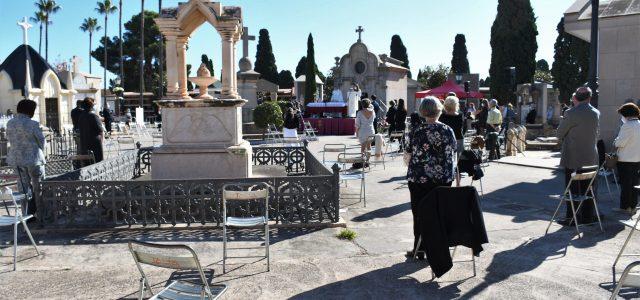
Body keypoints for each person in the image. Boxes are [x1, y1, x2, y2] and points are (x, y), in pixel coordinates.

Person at [405, 96, 457, 259]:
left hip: (419, 179)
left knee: (419, 213)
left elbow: (407, 154)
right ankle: (439, 250)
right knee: (439, 213)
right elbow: (454, 152)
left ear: (422, 112)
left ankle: (419, 249)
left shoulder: (417, 130)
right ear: (439, 110)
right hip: (443, 179)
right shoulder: (448, 130)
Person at [556, 87, 600, 225]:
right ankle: (588, 217)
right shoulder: (596, 112)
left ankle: (572, 218)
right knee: (589, 189)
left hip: (573, 156)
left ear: (577, 98)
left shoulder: (571, 113)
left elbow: (559, 133)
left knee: (573, 190)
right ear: (589, 97)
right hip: (591, 156)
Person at [6, 99, 46, 216]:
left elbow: (10, 139)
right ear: (30, 110)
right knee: (39, 187)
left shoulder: (10, 123)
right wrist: (40, 151)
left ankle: (27, 214)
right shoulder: (33, 123)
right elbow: (42, 141)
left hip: (17, 160)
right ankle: (41, 214)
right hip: (34, 160)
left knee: (23, 189)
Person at [614, 103, 640, 213]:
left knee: (625, 184)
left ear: (626, 114)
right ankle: (633, 206)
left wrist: (615, 141)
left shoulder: (627, 125)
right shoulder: (639, 123)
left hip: (625, 159)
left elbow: (620, 143)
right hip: (637, 159)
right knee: (634, 184)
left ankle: (625, 207)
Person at [78, 97, 105, 163]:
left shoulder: (81, 116)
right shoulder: (93, 116)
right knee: (97, 161)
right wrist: (102, 140)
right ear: (92, 106)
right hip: (95, 143)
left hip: (84, 142)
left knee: (87, 163)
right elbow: (100, 130)